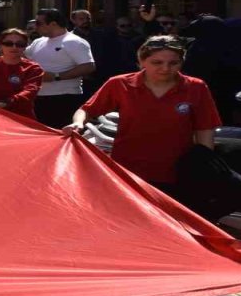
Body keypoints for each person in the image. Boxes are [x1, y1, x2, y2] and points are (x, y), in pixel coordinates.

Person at [63, 36, 222, 193]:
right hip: (128, 170)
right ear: (141, 62)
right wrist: (78, 123)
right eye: (157, 62)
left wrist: (204, 163)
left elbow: (205, 128)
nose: (166, 68)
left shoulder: (196, 87)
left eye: (174, 63)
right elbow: (87, 110)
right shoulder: (119, 84)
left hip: (177, 172)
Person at [26, 8, 96, 129]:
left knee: (60, 135)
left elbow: (88, 66)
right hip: (38, 97)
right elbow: (21, 58)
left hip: (64, 98)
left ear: (53, 24)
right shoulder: (38, 42)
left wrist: (56, 76)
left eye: (39, 23)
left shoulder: (74, 41)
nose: (35, 27)